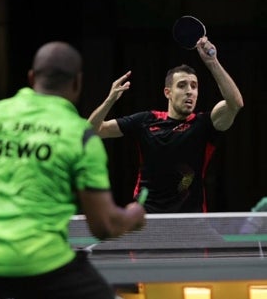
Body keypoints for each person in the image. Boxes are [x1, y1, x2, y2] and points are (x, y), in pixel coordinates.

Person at [0, 41, 145, 299]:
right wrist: (133, 215)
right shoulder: (80, 136)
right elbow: (103, 225)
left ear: (31, 77)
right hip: (46, 266)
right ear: (77, 84)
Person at [88, 37, 244, 213]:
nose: (189, 91)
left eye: (194, 86)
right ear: (167, 92)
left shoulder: (204, 125)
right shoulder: (146, 120)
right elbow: (93, 131)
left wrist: (212, 62)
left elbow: (235, 104)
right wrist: (109, 100)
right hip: (147, 219)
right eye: (182, 85)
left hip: (191, 221)